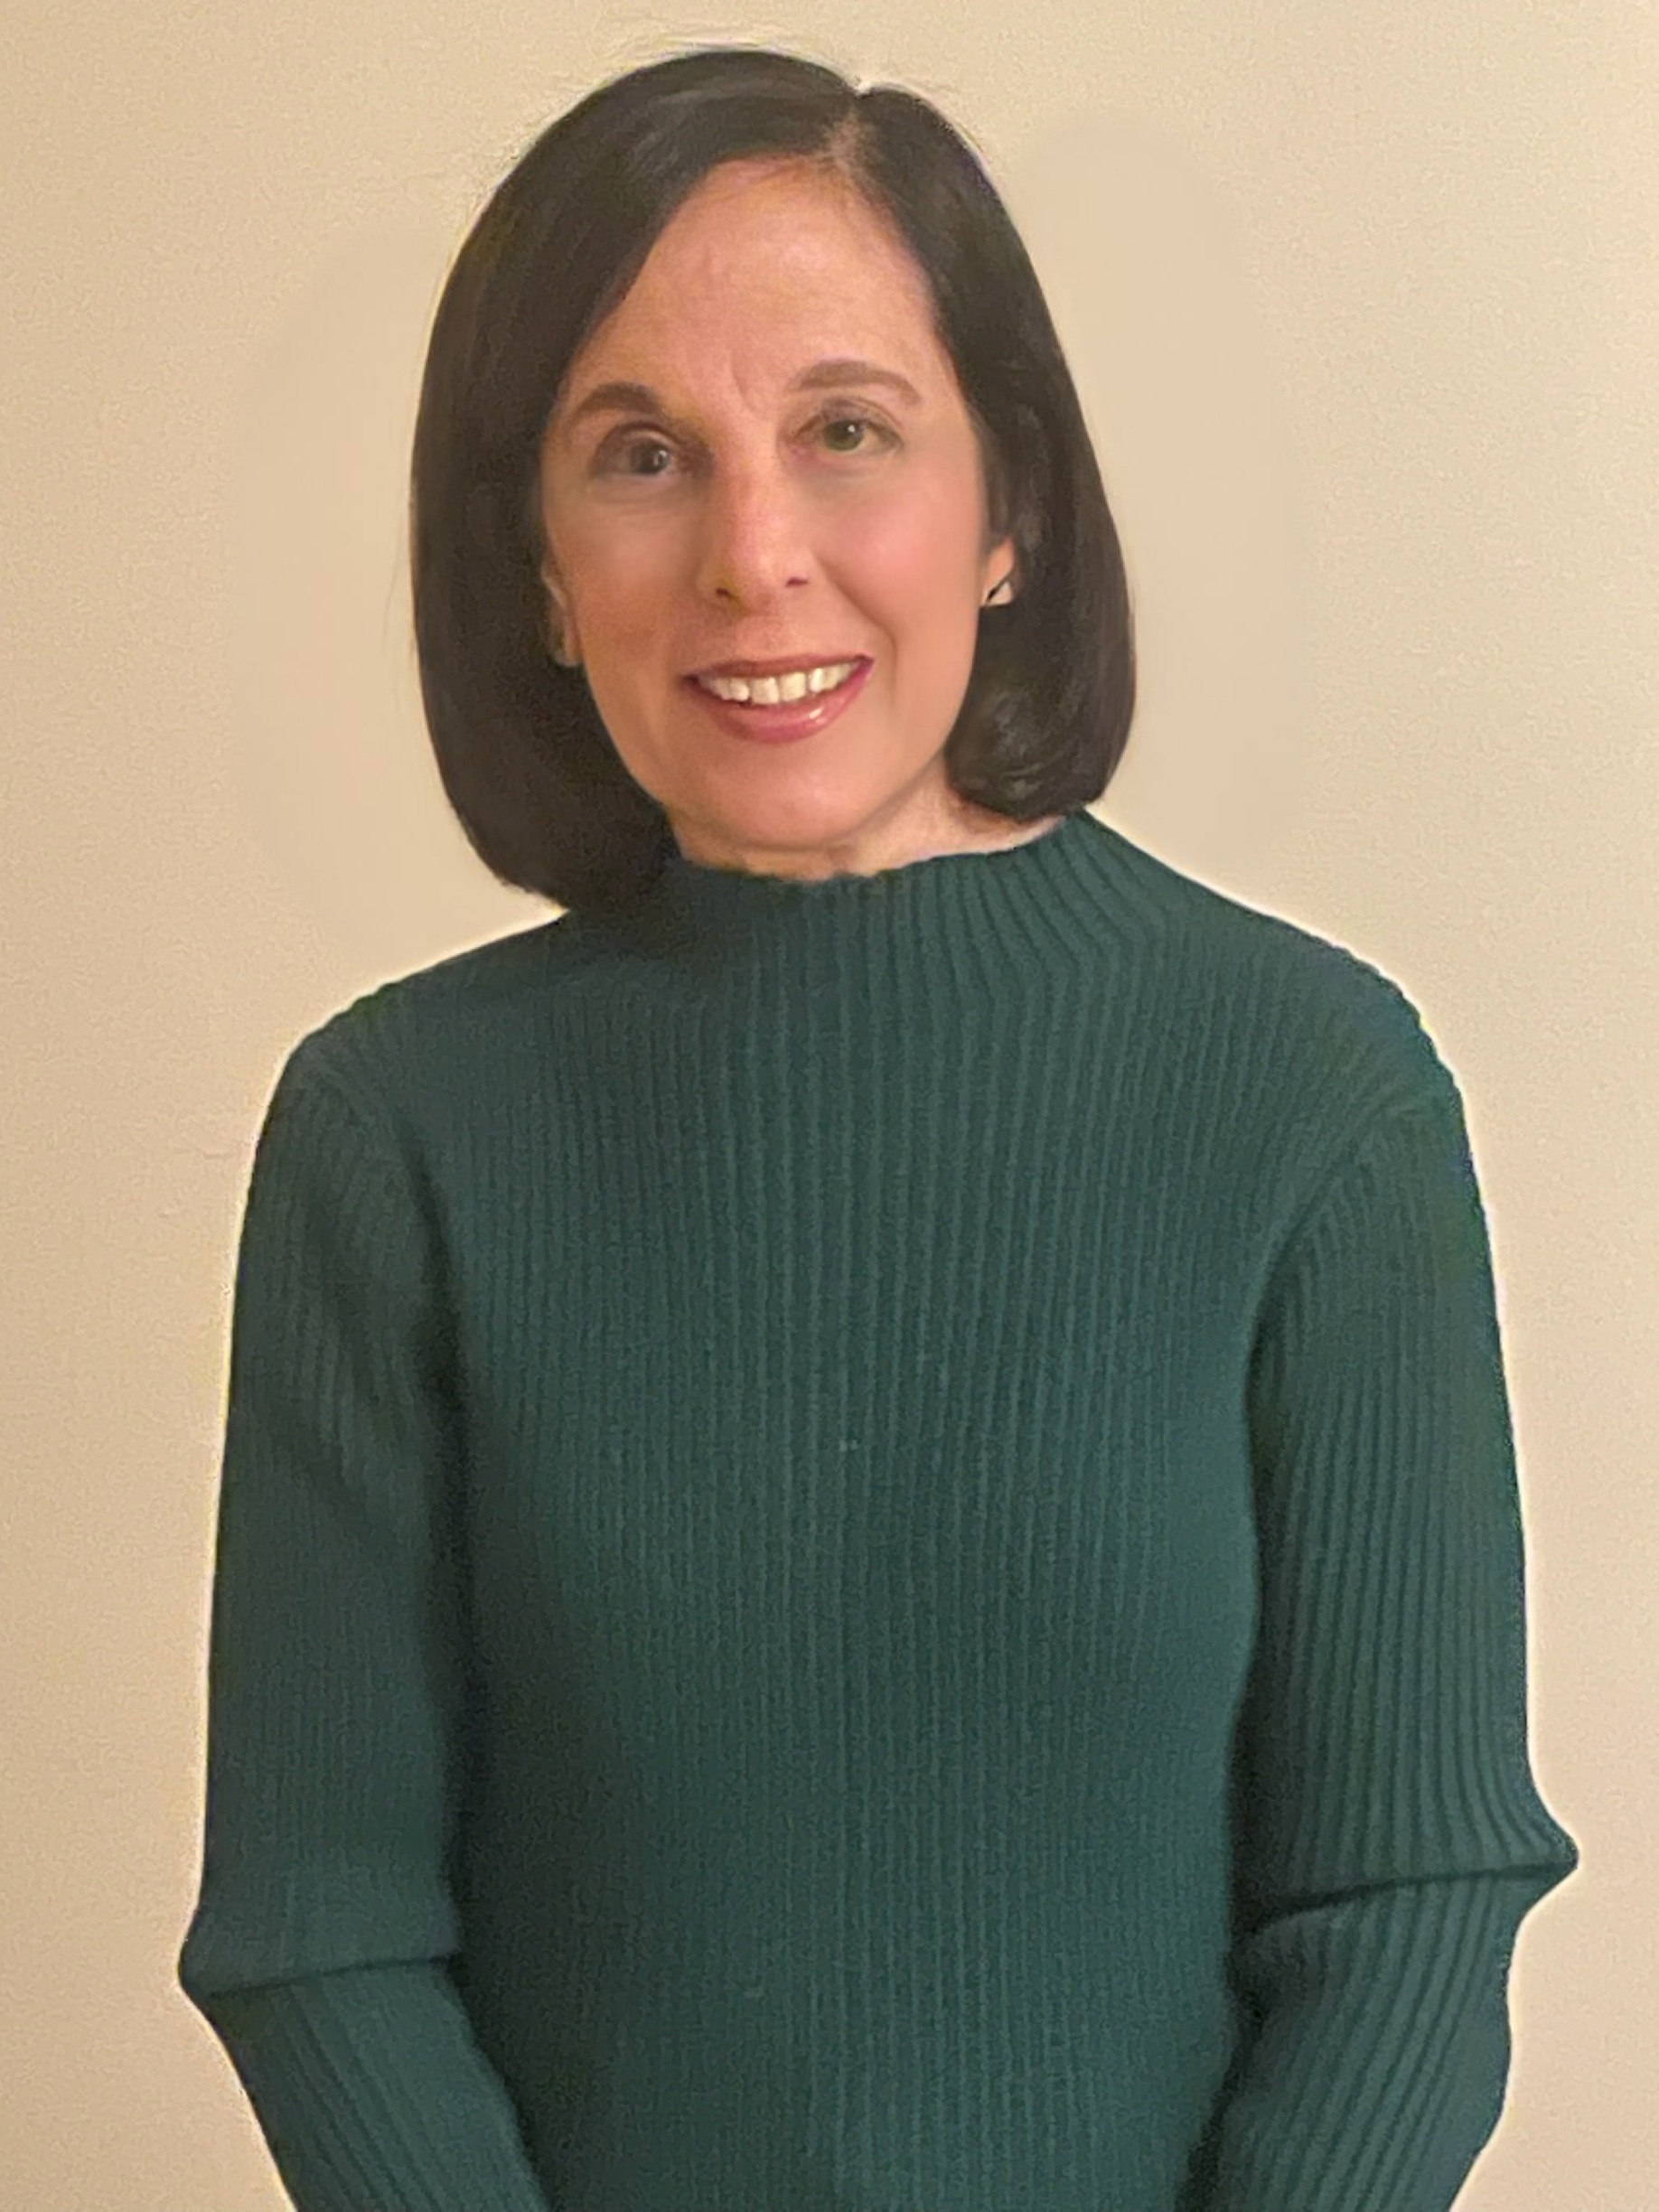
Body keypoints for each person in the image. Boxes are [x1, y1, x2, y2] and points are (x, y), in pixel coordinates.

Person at [175, 42, 1579, 2212]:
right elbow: (324, 1936)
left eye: (845, 431)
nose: (753, 555)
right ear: (538, 569)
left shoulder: (1312, 1092)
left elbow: (1406, 1898)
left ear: (1009, 504)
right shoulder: (396, 1135)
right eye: (640, 454)